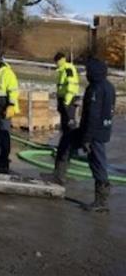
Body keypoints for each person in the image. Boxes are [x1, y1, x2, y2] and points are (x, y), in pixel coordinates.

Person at [53, 57, 116, 212]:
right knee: (66, 143)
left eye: (88, 71)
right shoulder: (108, 86)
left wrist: (87, 138)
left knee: (97, 162)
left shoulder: (96, 89)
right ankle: (58, 177)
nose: (86, 74)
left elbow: (94, 115)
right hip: (98, 129)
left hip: (94, 132)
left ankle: (101, 201)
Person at [54, 51, 80, 133]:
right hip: (63, 98)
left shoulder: (68, 69)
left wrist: (66, 101)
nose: (56, 64)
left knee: (69, 123)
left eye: (56, 62)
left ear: (59, 60)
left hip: (68, 99)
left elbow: (71, 85)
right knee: (64, 123)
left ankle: (71, 139)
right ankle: (65, 138)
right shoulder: (62, 70)